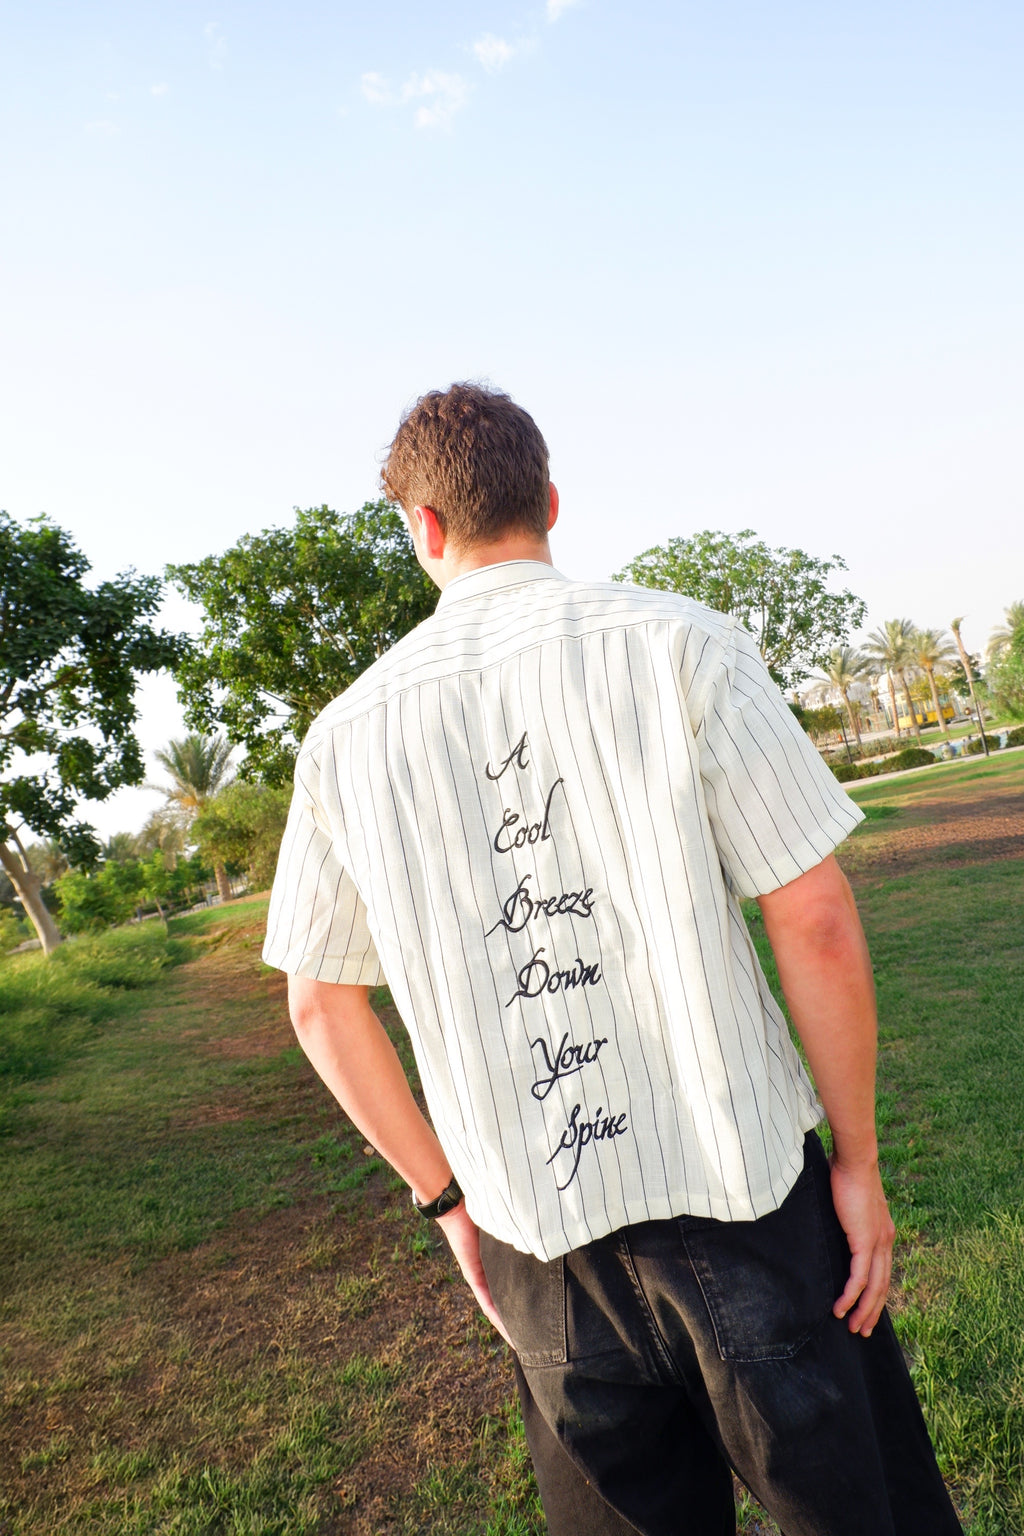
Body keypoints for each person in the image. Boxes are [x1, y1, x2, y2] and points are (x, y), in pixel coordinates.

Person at [263, 383, 962, 1536]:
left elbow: (320, 1006)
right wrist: (861, 1159)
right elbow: (815, 915)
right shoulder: (680, 643)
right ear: (547, 500)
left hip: (542, 1246)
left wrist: (446, 1203)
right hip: (750, 1206)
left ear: (422, 529)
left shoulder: (344, 738)